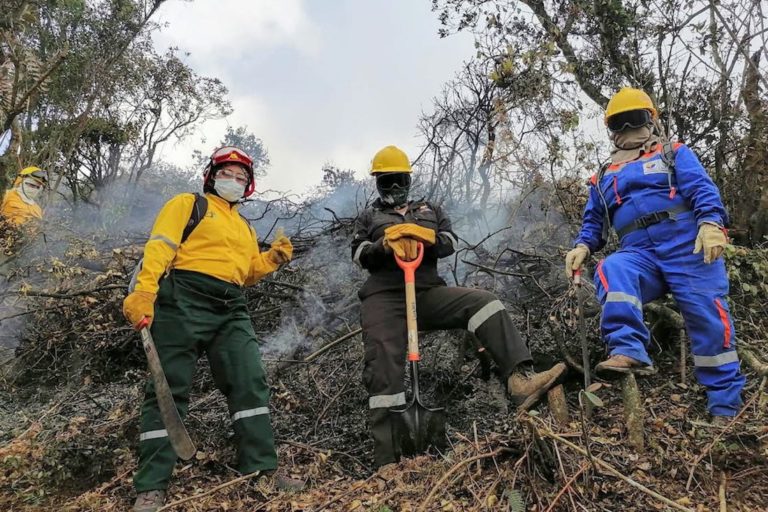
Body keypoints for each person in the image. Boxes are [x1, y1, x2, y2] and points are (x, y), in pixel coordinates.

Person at [352, 145, 567, 468]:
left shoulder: (430, 209)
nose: (394, 188)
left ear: (409, 179)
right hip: (384, 297)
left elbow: (450, 242)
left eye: (399, 180)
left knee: (485, 304)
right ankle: (388, 459)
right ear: (378, 184)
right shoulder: (370, 216)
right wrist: (384, 244)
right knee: (383, 364)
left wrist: (423, 236)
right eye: (387, 182)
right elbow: (359, 254)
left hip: (426, 292)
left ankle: (519, 380)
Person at [123, 146, 303, 512]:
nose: (233, 181)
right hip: (182, 299)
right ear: (211, 176)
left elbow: (246, 272)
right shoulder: (188, 205)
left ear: (248, 187)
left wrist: (272, 259)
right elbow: (160, 247)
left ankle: (262, 470)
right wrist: (144, 290)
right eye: (227, 174)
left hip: (231, 307)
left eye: (241, 178)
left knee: (250, 381)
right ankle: (152, 486)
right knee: (167, 391)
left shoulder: (244, 226)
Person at [565, 87, 745, 421]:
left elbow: (702, 188)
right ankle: (628, 349)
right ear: (612, 129)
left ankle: (724, 406)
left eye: (637, 118)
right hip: (639, 251)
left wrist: (710, 223)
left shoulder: (672, 153)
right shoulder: (603, 176)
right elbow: (593, 221)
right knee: (612, 268)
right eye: (622, 121)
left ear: (651, 120)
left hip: (686, 244)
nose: (630, 127)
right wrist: (582, 246)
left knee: (708, 318)